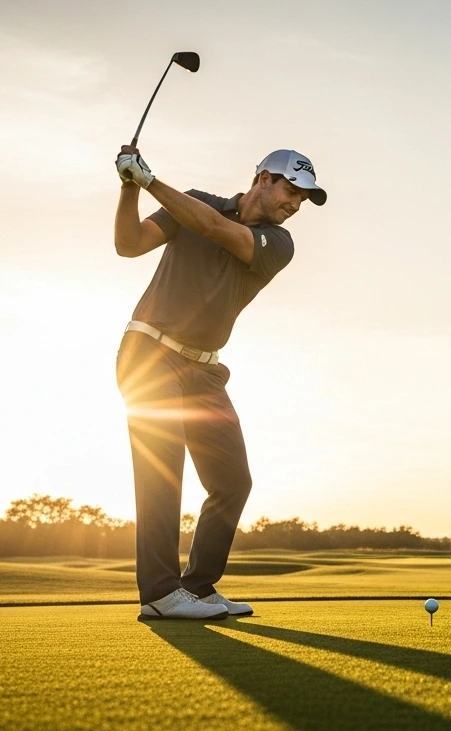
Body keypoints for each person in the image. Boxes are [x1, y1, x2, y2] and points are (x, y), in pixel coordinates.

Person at [112, 146, 326, 619]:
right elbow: (129, 244)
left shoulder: (278, 243)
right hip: (149, 354)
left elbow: (212, 227)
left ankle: (199, 586)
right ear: (263, 178)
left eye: (304, 199)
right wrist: (130, 189)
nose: (296, 204)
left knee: (233, 481)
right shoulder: (193, 201)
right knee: (161, 472)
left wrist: (148, 180)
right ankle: (161, 594)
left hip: (204, 370)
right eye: (292, 191)